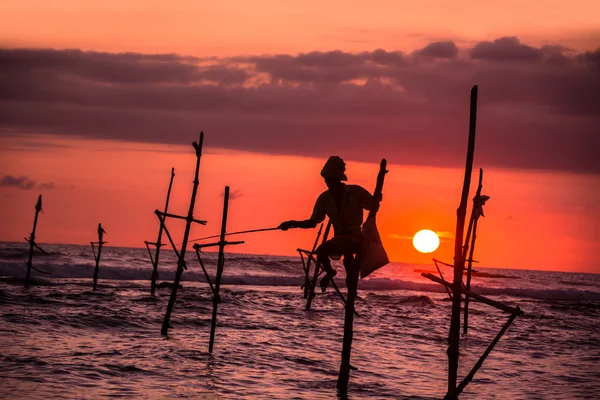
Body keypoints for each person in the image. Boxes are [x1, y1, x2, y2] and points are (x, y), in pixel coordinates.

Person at [279, 156, 381, 292]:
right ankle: (330, 272)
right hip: (338, 239)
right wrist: (292, 223)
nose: (328, 182)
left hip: (356, 238)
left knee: (349, 263)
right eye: (326, 179)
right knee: (321, 251)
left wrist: (376, 200)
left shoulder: (355, 191)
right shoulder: (324, 198)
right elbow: (313, 222)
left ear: (338, 178)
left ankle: (350, 287)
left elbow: (372, 207)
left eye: (330, 179)